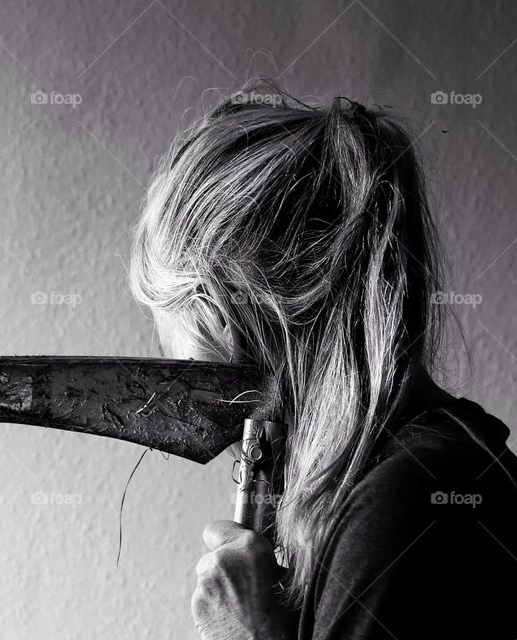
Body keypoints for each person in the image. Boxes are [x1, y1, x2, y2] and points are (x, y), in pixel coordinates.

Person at [129, 79, 517, 639]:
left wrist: (251, 634)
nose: (176, 371)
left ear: (223, 318)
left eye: (174, 342)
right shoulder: (443, 467)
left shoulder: (402, 506)